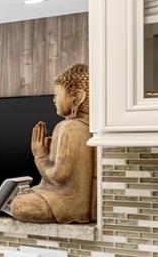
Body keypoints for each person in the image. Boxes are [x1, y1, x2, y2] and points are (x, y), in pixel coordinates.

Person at [9, 63, 96, 224]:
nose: (54, 100)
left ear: (78, 97)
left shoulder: (69, 127)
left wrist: (40, 157)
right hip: (75, 200)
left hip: (67, 202)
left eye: (57, 95)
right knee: (22, 198)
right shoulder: (89, 128)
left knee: (20, 205)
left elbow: (59, 176)